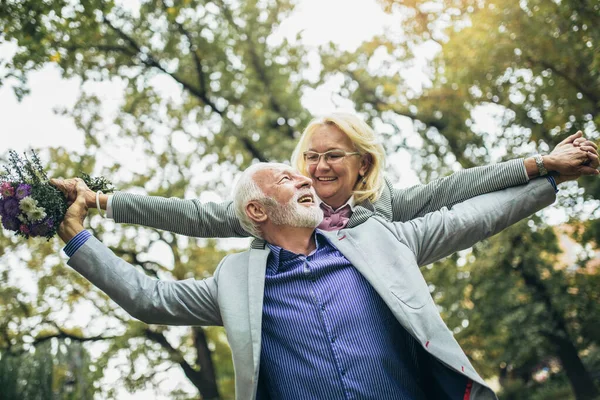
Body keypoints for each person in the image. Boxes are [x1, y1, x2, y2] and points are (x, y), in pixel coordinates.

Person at [58, 162, 585, 400]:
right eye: (287, 179)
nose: (306, 178)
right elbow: (149, 298)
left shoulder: (382, 239)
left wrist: (550, 176)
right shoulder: (235, 281)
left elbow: (471, 217)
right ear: (256, 209)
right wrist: (78, 236)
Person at [53, 114, 599, 237]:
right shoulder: (278, 211)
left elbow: (457, 190)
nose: (318, 168)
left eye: (333, 156)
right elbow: (189, 214)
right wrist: (101, 200)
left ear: (362, 162)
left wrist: (545, 165)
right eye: (310, 158)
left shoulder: (385, 211)